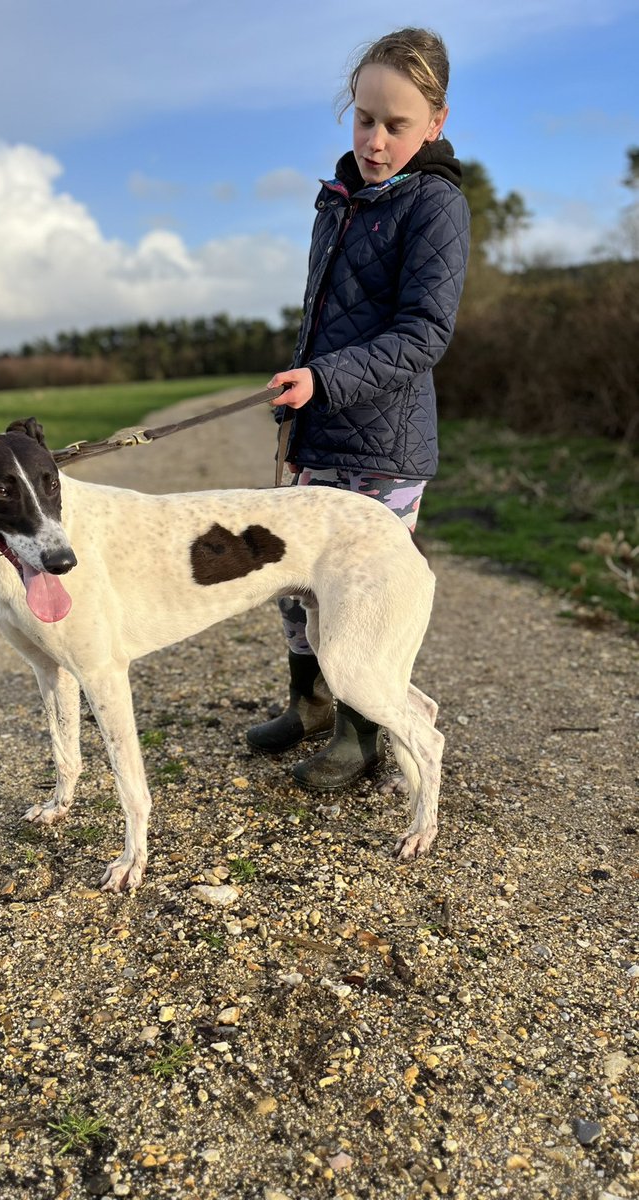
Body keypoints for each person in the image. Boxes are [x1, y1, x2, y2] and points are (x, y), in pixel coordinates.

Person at [246, 27, 470, 790]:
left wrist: (328, 378)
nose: (375, 140)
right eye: (364, 118)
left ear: (435, 122)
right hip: (321, 432)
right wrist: (302, 390)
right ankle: (307, 702)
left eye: (396, 125)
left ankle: (360, 733)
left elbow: (423, 333)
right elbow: (324, 315)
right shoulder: (337, 199)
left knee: (358, 598)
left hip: (385, 447)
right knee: (298, 583)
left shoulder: (434, 206)